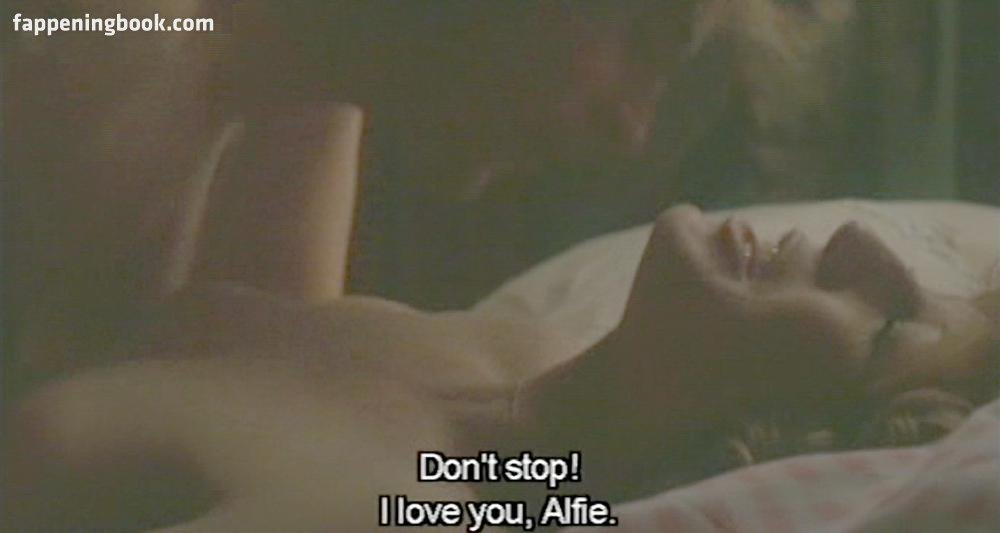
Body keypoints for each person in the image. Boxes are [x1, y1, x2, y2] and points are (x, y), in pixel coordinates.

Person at [5, 206, 997, 531]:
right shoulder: (516, 353)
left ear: (783, 445)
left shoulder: (412, 503)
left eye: (890, 323)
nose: (860, 241)